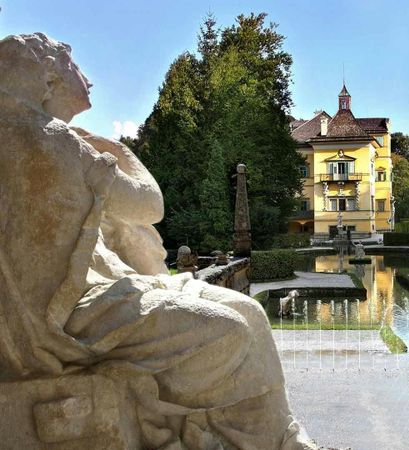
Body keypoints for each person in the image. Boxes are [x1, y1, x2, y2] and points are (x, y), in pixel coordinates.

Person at [0, 33, 314, 449]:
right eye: (74, 65)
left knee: (249, 310)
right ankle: (242, 437)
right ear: (49, 77)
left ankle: (279, 436)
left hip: (69, 302)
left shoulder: (27, 134)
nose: (86, 77)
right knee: (231, 332)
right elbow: (150, 206)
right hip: (68, 316)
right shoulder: (56, 140)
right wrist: (119, 150)